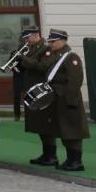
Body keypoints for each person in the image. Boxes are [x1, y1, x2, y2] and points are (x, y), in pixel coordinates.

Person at [41, 29, 90, 171]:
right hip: (59, 99)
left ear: (62, 41)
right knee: (64, 131)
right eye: (50, 42)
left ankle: (76, 161)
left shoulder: (71, 57)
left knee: (72, 131)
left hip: (69, 100)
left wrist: (70, 100)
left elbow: (75, 81)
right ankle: (70, 159)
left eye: (53, 42)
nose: (51, 44)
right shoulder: (58, 56)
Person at [16, 25, 57, 165]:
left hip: (42, 90)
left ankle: (51, 156)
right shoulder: (31, 48)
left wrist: (24, 59)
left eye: (27, 38)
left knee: (45, 124)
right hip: (32, 90)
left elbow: (43, 67)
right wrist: (16, 62)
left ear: (34, 35)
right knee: (38, 124)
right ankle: (46, 154)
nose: (26, 41)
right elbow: (25, 67)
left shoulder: (46, 49)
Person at [12, 29, 28, 121]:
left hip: (26, 75)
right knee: (16, 96)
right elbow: (10, 64)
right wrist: (14, 68)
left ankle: (28, 114)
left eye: (25, 39)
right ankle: (17, 115)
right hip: (18, 76)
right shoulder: (15, 51)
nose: (23, 41)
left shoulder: (30, 51)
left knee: (27, 96)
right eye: (22, 39)